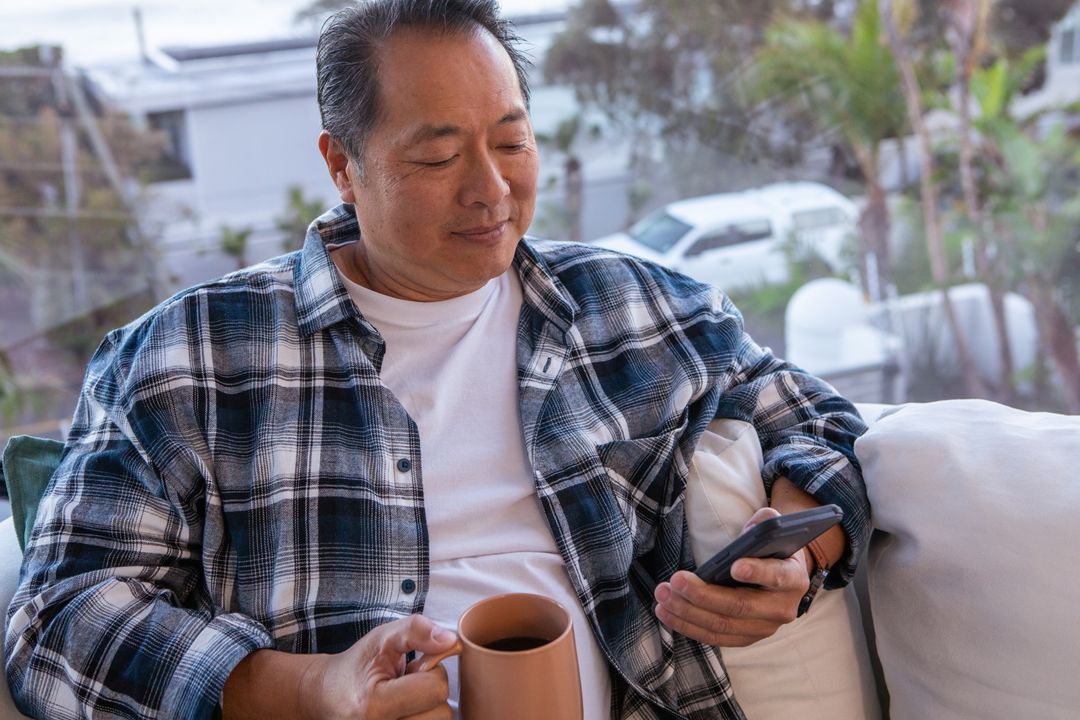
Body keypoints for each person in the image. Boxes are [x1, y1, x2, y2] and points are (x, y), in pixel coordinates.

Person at [4, 1, 870, 718]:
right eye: (437, 156)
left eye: (511, 141)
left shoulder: (631, 307)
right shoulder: (192, 357)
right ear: (343, 165)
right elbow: (56, 623)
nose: (490, 190)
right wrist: (315, 689)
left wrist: (800, 551)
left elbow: (814, 415)